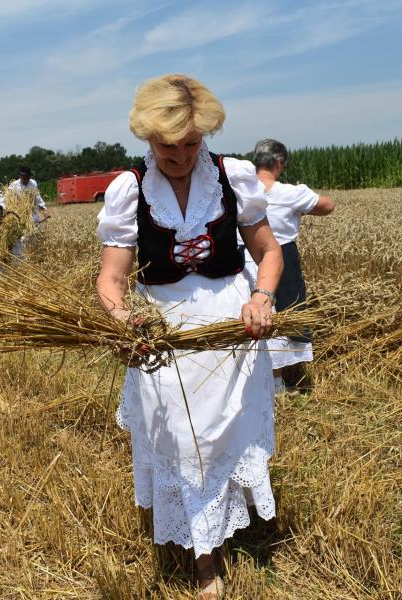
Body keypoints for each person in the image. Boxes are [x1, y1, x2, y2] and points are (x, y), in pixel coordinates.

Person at [96, 74, 282, 599]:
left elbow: (269, 253)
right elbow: (111, 279)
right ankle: (204, 558)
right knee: (182, 438)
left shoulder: (232, 177)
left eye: (190, 144)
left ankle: (218, 535)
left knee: (223, 431)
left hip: (230, 326)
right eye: (167, 146)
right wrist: (123, 318)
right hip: (165, 331)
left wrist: (262, 298)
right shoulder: (130, 190)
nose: (179, 156)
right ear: (147, 137)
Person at [247, 139, 334, 394]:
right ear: (278, 163)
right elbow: (327, 206)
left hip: (244, 258)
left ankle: (254, 383)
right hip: (280, 257)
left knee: (251, 316)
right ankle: (276, 384)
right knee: (280, 317)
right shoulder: (290, 193)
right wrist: (300, 210)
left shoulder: (243, 189)